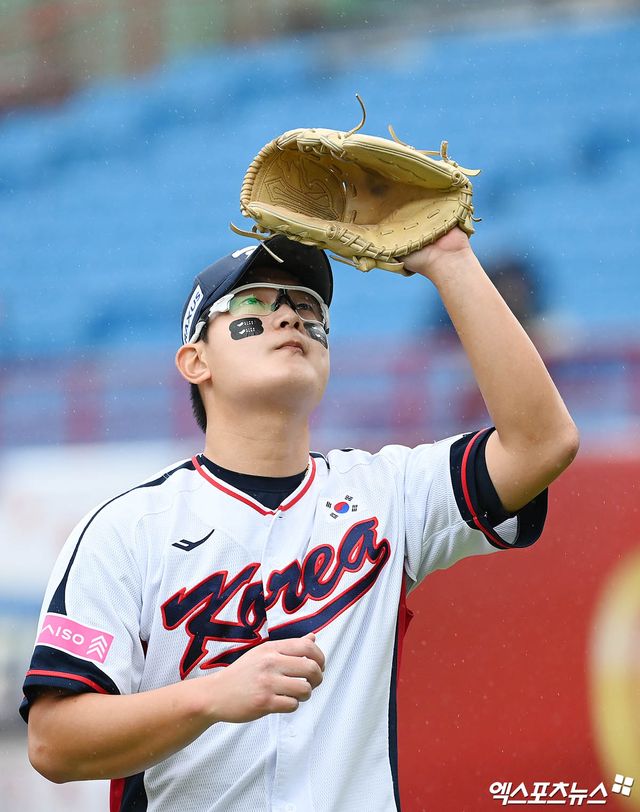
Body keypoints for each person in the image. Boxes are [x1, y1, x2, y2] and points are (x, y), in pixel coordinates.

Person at [22, 229, 579, 811]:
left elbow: (542, 445)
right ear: (195, 360)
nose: (288, 315)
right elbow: (54, 742)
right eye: (253, 304)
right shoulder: (127, 528)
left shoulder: (388, 492)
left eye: (307, 307)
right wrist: (212, 696)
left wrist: (451, 261)